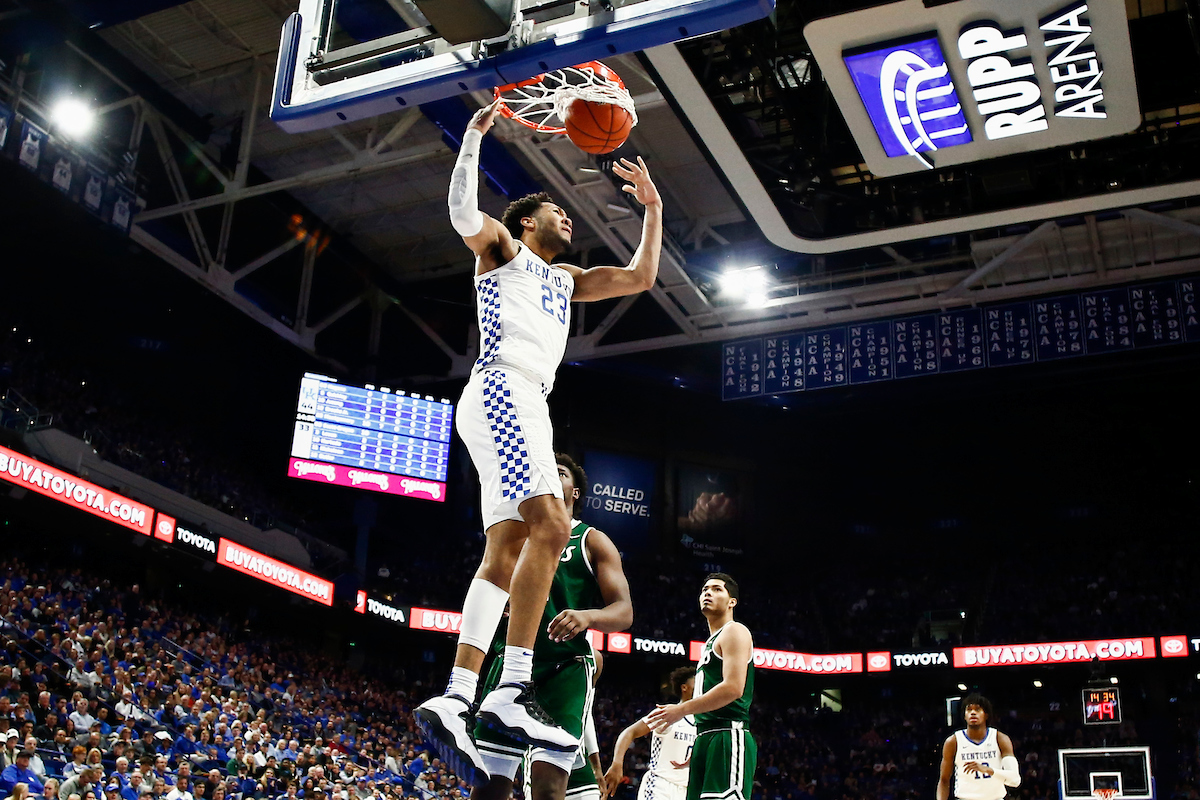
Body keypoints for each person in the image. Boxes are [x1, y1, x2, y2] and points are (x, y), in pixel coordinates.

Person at [416, 96, 662, 783]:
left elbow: (641, 277)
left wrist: (652, 208)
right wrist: (472, 138)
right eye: (554, 207)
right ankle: (510, 688)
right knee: (553, 526)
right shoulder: (504, 250)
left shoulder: (568, 279)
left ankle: (459, 695)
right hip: (503, 386)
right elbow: (463, 213)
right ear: (527, 221)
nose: (567, 214)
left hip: (521, 399)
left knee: (510, 545)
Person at [471, 454, 633, 800]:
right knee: (489, 786)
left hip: (564, 670)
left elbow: (624, 612)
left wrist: (587, 616)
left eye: (560, 473)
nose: (552, 476)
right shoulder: (516, 534)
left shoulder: (592, 540)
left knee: (548, 786)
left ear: (575, 494)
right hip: (510, 663)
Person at [645, 575, 756, 800]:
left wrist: (680, 710)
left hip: (727, 734)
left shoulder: (735, 631)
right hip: (705, 738)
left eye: (717, 589)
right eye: (705, 589)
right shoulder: (709, 642)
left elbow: (734, 688)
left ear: (731, 601)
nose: (708, 593)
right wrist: (700, 741)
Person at [603, 669, 697, 800]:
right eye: (697, 681)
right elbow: (630, 732)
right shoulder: (667, 712)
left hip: (688, 790)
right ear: (684, 687)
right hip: (660, 785)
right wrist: (617, 763)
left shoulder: (705, 721)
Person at [936, 694, 1020, 800]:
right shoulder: (953, 741)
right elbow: (944, 780)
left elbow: (1015, 780)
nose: (973, 713)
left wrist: (988, 770)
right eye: (969, 709)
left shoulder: (1000, 739)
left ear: (986, 715)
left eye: (978, 709)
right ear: (964, 716)